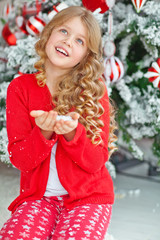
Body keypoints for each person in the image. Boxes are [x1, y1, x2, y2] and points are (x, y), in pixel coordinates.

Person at [0, 6, 117, 240]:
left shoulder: (94, 92)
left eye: (80, 41)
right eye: (63, 31)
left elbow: (95, 162)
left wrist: (74, 135)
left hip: (88, 197)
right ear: (49, 33)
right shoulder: (21, 88)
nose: (68, 42)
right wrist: (42, 132)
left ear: (86, 55)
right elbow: (21, 159)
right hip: (39, 198)